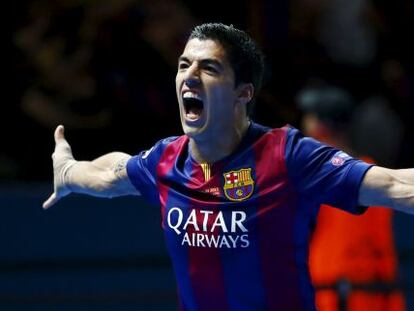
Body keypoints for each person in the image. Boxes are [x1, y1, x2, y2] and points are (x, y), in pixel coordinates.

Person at [43, 23, 414, 311]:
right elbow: (111, 173)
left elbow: (396, 185)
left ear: (243, 92)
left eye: (209, 68)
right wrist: (68, 172)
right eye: (184, 64)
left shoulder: (287, 155)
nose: (190, 75)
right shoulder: (166, 159)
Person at [297, 84, 406, 311]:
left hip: (345, 294)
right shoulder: (371, 170)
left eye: (310, 117)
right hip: (359, 292)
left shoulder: (316, 174)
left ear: (321, 125)